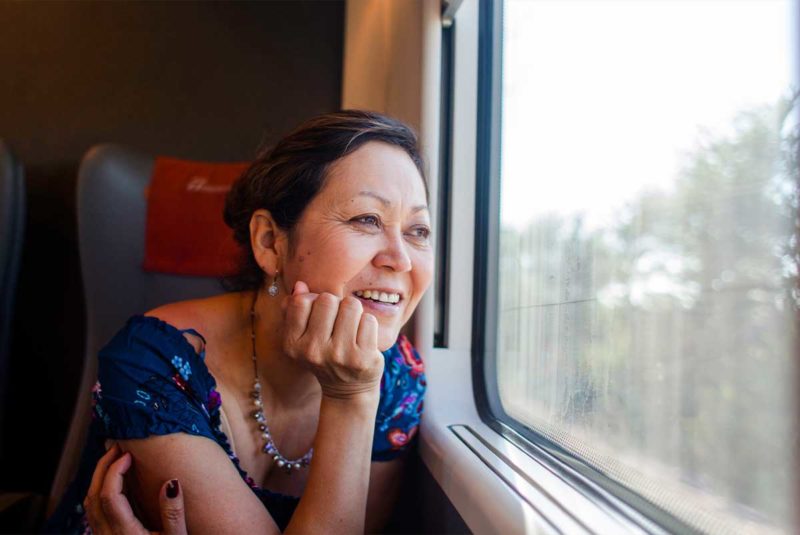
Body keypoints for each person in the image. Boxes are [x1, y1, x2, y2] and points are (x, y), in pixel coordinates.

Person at [44, 110, 433, 534]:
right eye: (367, 220)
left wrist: (357, 394)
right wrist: (350, 398)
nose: (400, 258)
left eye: (418, 231)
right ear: (270, 242)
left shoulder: (395, 379)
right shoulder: (154, 364)